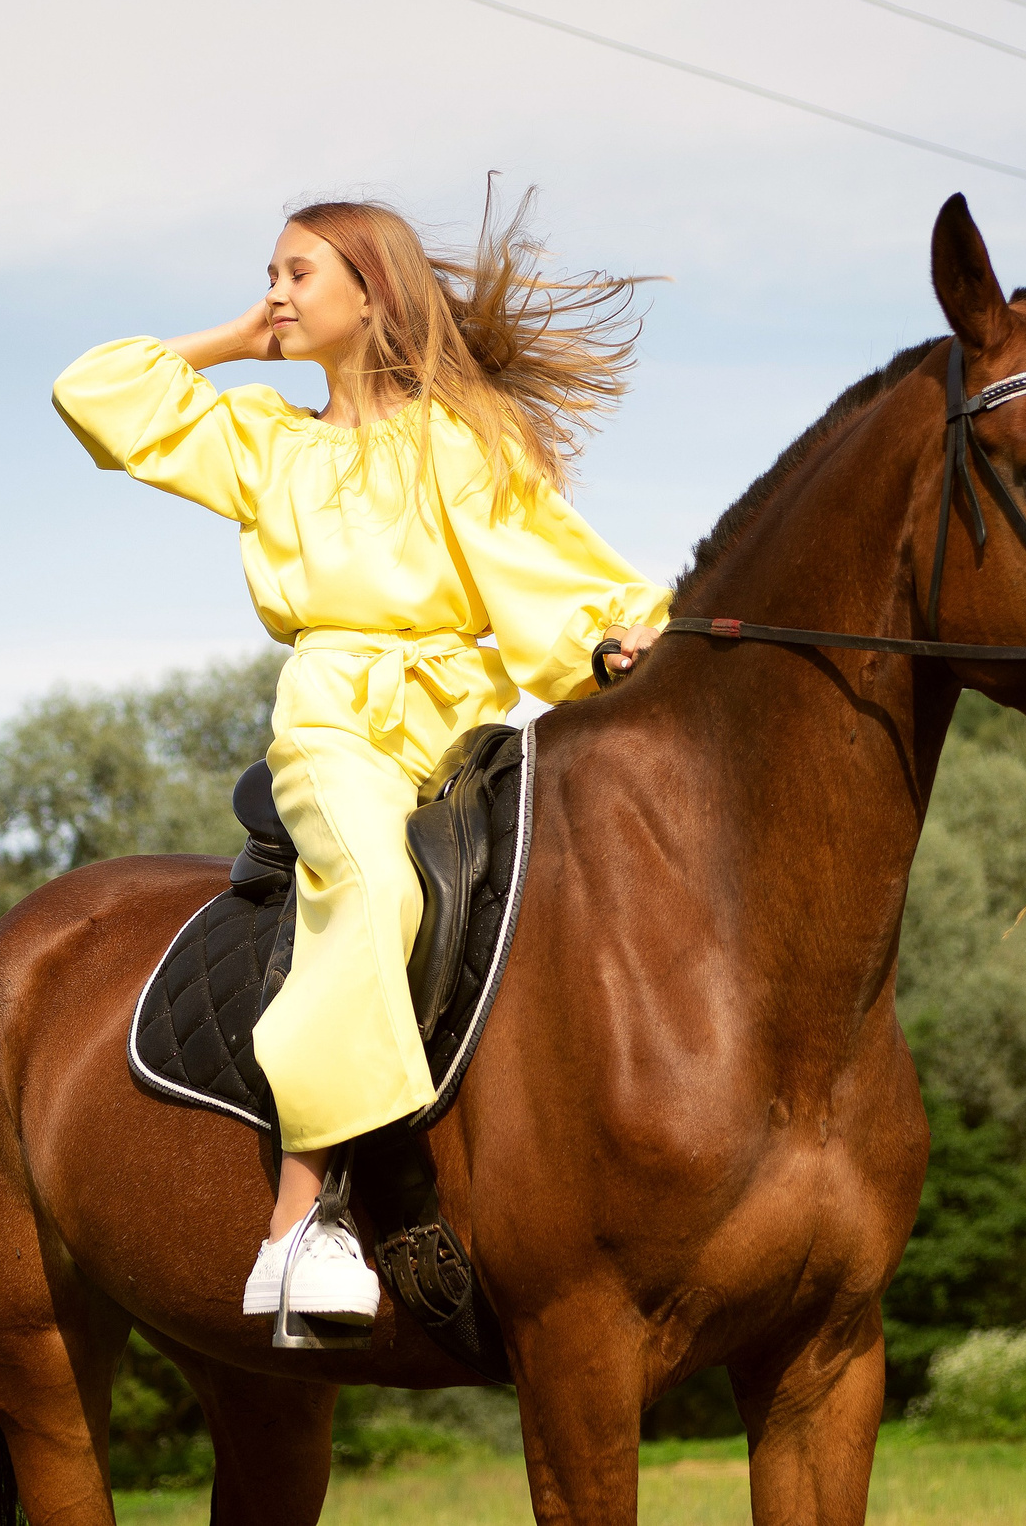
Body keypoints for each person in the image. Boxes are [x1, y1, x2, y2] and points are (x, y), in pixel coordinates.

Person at [51, 187, 669, 1321]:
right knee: (374, 884)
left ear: (369, 293)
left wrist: (621, 638)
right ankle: (303, 1220)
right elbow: (93, 394)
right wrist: (240, 342)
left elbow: (553, 570)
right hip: (335, 721)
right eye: (272, 275)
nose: (275, 293)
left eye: (296, 274)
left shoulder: (464, 437)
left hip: (466, 724)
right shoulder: (263, 444)